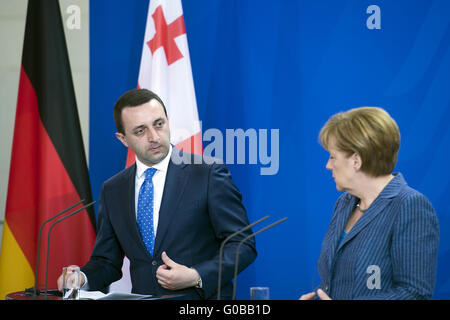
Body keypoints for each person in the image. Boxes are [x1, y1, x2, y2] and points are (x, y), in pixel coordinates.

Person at [57, 88, 257, 299]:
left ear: (168, 121)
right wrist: (81, 278)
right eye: (140, 131)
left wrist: (196, 276)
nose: (154, 137)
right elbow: (107, 262)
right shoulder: (113, 189)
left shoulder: (207, 173)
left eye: (159, 124)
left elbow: (242, 244)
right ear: (123, 138)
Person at [300, 107, 439, 300]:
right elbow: (339, 283)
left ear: (356, 160)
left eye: (333, 157)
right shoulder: (345, 202)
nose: (328, 165)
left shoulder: (410, 205)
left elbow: (415, 294)